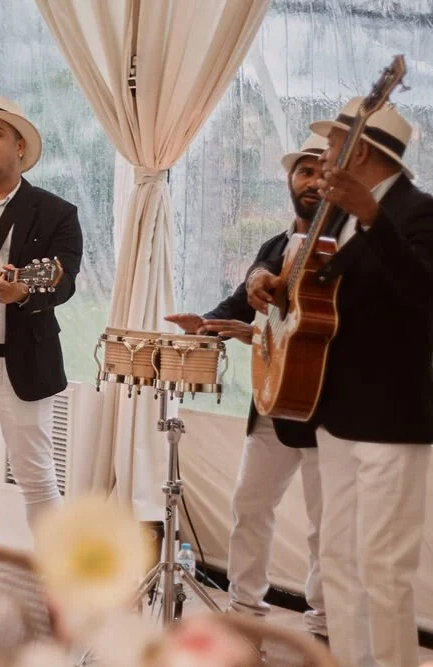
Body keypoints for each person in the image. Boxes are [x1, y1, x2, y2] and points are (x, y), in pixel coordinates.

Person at [247, 99, 433, 667]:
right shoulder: (339, 221)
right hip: (335, 416)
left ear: (365, 151)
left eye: (333, 145)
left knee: (383, 566)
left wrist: (374, 221)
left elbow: (425, 297)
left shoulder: (419, 212)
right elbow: (319, 302)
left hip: (391, 420)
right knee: (339, 561)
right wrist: (270, 285)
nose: (324, 157)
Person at [167, 134, 329, 641]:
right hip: (274, 405)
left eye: (323, 172)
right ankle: (243, 614)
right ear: (289, 180)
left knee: (327, 526)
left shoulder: (351, 248)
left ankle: (323, 624)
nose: (313, 182)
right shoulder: (275, 247)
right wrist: (206, 324)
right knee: (249, 507)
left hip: (331, 409)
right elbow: (237, 306)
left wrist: (254, 333)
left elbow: (333, 326)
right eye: (304, 171)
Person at [0, 96, 82, 527]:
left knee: (37, 480)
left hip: (22, 363)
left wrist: (23, 291)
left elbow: (63, 280)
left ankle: (54, 585)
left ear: (20, 147)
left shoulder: (57, 212)